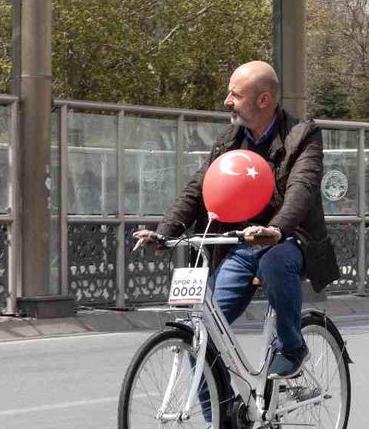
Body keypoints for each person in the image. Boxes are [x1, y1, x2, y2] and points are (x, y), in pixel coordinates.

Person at [133, 61, 339, 380]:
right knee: (202, 332)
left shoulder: (302, 136)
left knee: (274, 263)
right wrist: (164, 232)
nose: (227, 101)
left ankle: (291, 348)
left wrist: (276, 229)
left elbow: (302, 189)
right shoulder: (230, 138)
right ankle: (223, 411)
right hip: (242, 245)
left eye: (236, 95)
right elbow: (199, 188)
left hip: (289, 239)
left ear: (263, 100)